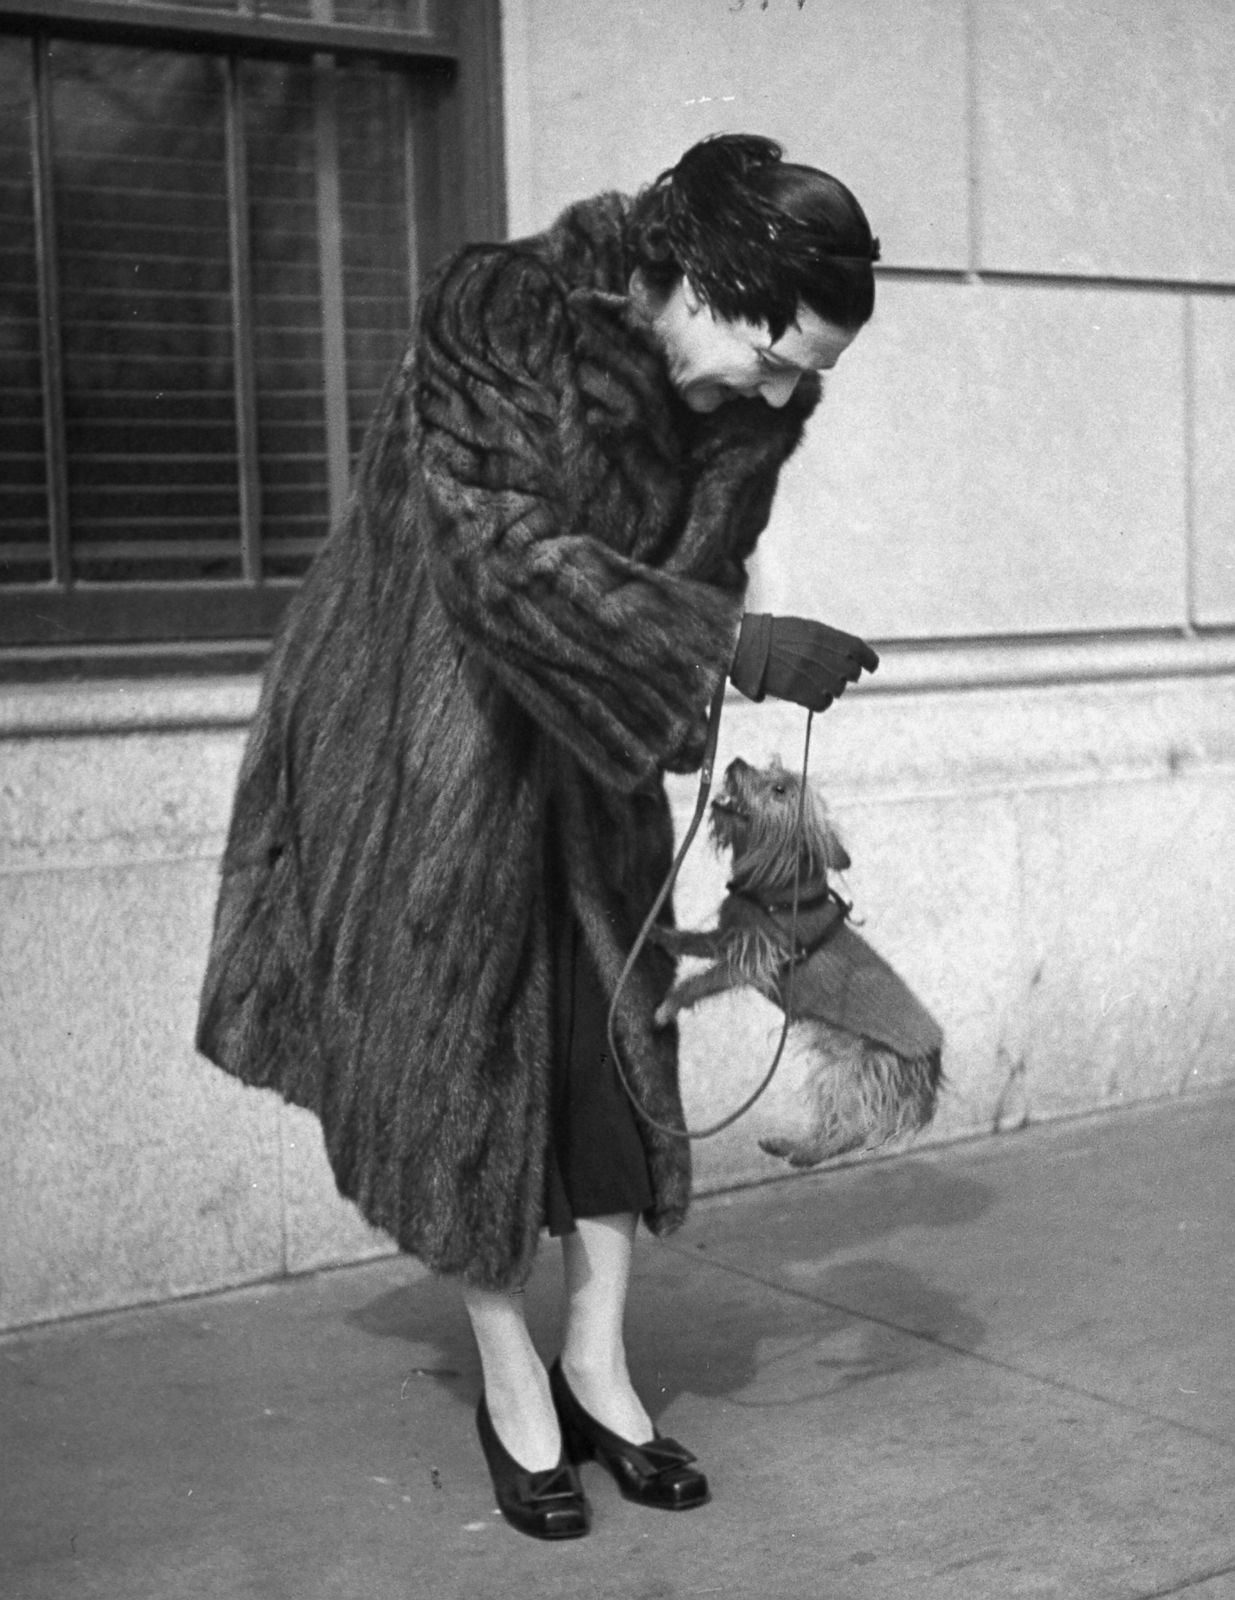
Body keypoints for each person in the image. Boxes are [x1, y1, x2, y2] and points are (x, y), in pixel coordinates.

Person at [197, 133, 880, 1540]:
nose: (786, 389)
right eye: (778, 352)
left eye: (810, 370)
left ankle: (599, 1365)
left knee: (613, 1056)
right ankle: (513, 1375)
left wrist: (706, 680)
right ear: (700, 277)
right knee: (463, 1056)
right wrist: (733, 646)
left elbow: (702, 577)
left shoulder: (744, 414)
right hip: (418, 731)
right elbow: (493, 554)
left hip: (582, 751)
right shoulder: (499, 313)